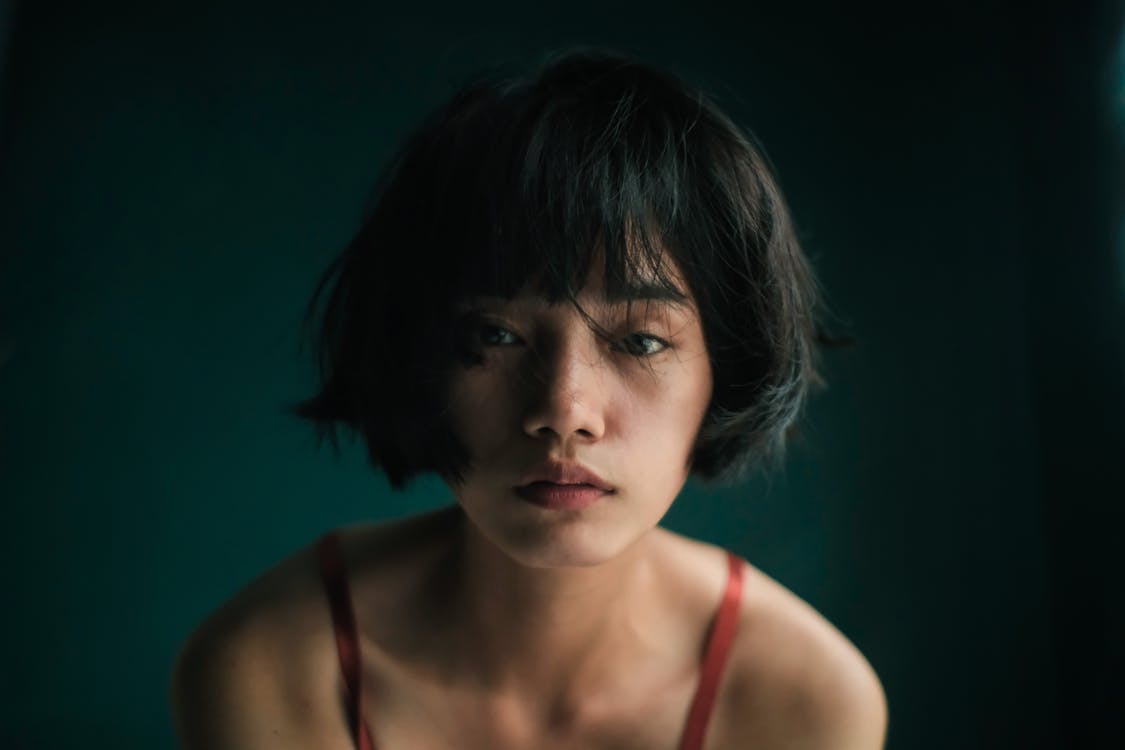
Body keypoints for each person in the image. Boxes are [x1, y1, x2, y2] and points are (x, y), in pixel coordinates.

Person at [170, 49, 887, 750]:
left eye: (640, 342)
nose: (564, 409)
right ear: (415, 353)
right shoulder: (274, 668)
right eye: (496, 334)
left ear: (727, 366)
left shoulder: (803, 701)